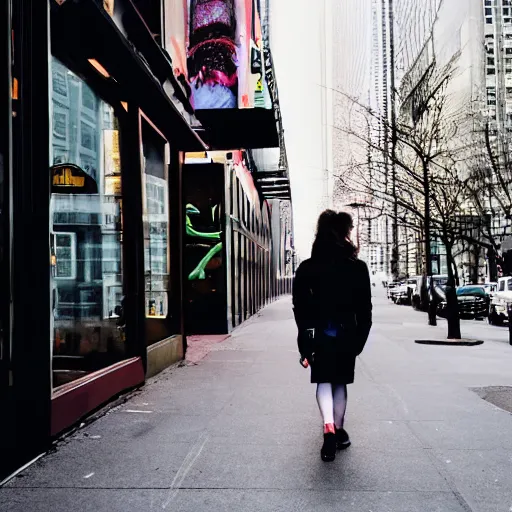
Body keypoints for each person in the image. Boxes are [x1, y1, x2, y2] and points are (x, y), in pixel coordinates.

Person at [292, 210, 373, 462]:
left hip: (319, 334)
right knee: (339, 383)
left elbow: (300, 307)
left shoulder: (307, 268)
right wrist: (360, 339)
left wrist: (305, 340)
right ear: (345, 233)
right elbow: (365, 309)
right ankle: (338, 429)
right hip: (347, 334)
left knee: (323, 381)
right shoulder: (357, 268)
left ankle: (328, 430)